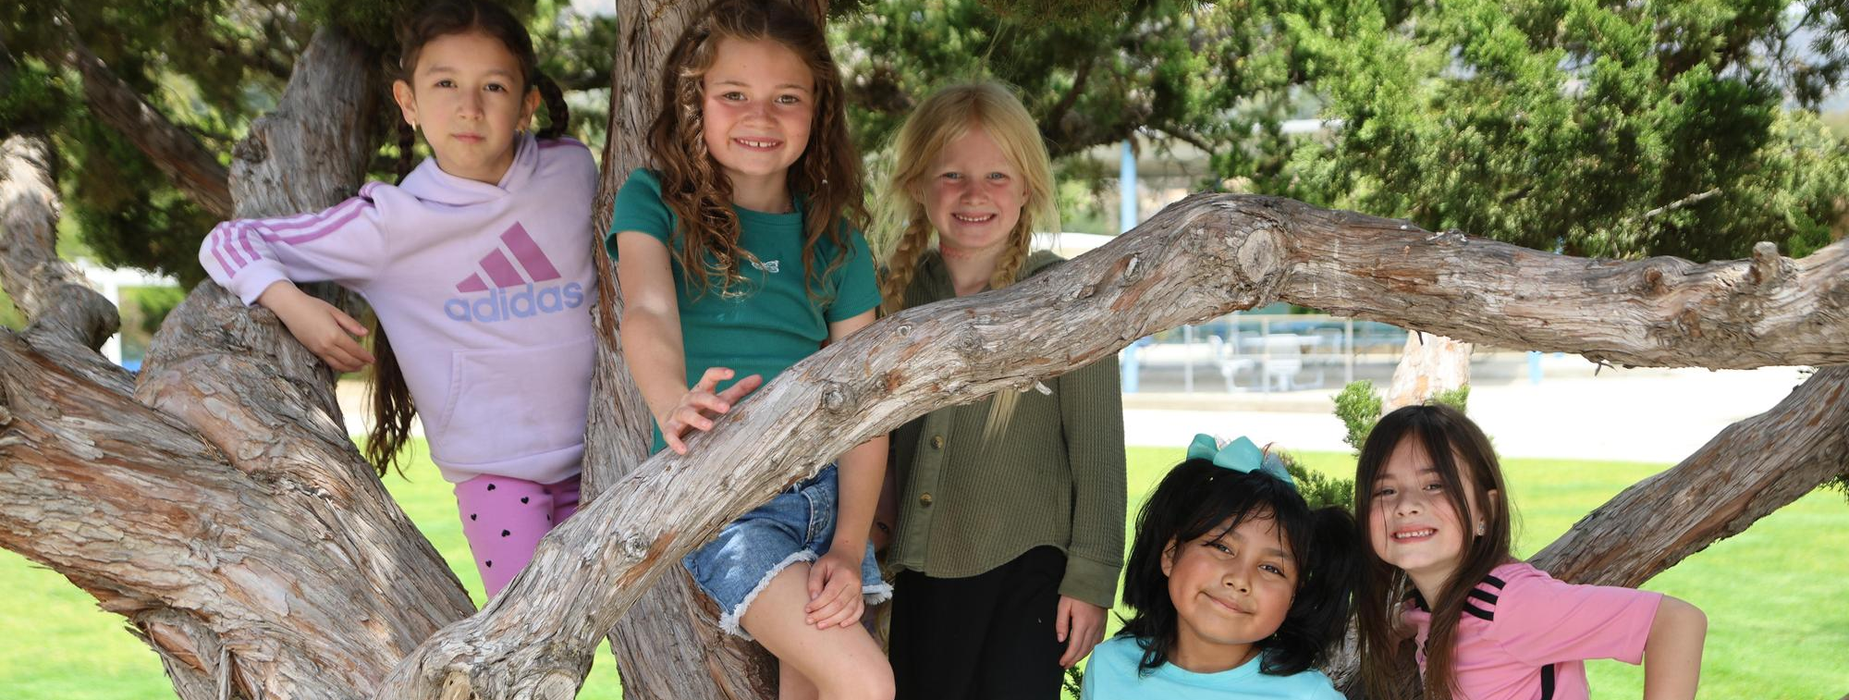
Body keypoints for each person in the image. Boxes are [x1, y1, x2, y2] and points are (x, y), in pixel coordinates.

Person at [197, 0, 590, 599]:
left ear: (527, 103)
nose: (469, 106)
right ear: (408, 103)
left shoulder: (573, 172)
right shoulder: (388, 224)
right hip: (497, 477)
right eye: (445, 84)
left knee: (652, 636)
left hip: (613, 452)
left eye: (493, 85)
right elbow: (228, 240)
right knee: (535, 645)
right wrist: (292, 305)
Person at [606, 1, 891, 697]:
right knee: (865, 683)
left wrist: (849, 547)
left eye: (785, 99)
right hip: (724, 503)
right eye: (733, 95)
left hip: (826, 498)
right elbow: (644, 309)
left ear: (817, 110)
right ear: (693, 100)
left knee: (815, 687)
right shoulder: (654, 202)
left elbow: (865, 406)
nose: (759, 117)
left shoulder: (835, 241)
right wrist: (672, 401)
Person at [875, 81, 1125, 699]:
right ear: (917, 185)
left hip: (1029, 572)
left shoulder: (1066, 295)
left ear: (1029, 189)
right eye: (952, 175)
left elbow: (1097, 449)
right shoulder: (889, 298)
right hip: (916, 574)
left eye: (996, 176)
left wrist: (1091, 579)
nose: (974, 195)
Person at [1354, 404, 1708, 700]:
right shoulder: (1426, 607)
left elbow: (1675, 621)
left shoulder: (1509, 605)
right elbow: (1414, 621)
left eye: (1434, 485)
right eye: (1385, 491)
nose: (1406, 506)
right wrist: (1398, 624)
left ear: (1485, 512)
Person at [1083, 435, 1358, 699]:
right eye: (1222, 547)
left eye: (1271, 568)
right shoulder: (1110, 666)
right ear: (1171, 553)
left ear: (1293, 597)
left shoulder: (1307, 696)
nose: (1239, 579)